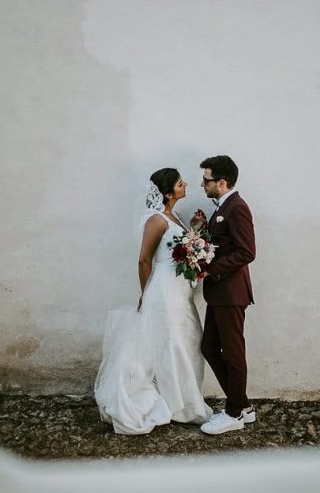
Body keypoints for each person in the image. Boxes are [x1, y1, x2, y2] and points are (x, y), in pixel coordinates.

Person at [94, 168, 213, 434]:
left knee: (189, 341)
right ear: (168, 193)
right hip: (163, 290)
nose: (186, 186)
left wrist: (194, 230)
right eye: (181, 184)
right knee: (172, 345)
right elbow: (144, 259)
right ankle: (177, 405)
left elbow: (179, 249)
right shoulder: (156, 220)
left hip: (180, 291)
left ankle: (185, 399)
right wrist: (145, 293)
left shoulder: (175, 216)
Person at [192, 155, 257, 435]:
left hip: (231, 292)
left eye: (206, 180)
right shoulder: (222, 207)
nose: (202, 184)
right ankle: (242, 405)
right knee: (209, 348)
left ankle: (233, 414)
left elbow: (247, 252)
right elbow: (223, 243)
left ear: (222, 182)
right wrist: (202, 228)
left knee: (233, 352)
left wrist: (211, 270)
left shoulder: (237, 207)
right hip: (219, 294)